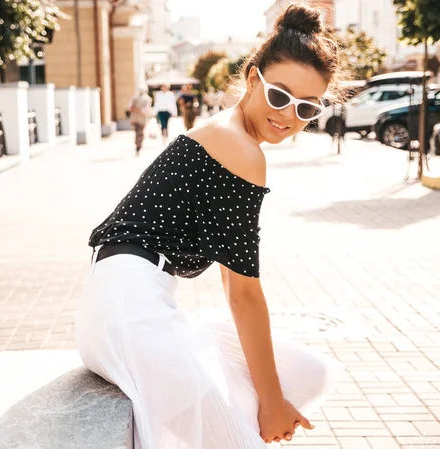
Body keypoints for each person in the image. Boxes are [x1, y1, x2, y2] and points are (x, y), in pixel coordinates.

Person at [76, 4, 346, 449]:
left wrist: (270, 396)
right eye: (280, 97)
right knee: (240, 433)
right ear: (254, 78)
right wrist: (271, 401)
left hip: (134, 305)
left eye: (306, 108)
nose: (288, 116)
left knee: (309, 373)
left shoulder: (227, 135)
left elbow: (233, 285)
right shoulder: (239, 147)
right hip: (128, 311)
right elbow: (242, 292)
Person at [128, 85, 153, 155]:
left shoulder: (134, 98)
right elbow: (147, 110)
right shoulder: (147, 99)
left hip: (135, 117)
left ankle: (137, 145)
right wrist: (140, 110)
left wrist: (136, 109)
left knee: (138, 132)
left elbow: (130, 108)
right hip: (142, 118)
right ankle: (138, 146)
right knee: (140, 132)